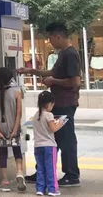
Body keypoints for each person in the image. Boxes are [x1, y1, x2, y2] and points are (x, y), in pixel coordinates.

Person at [17, 21, 81, 187]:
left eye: (50, 38)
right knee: (51, 138)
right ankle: (43, 171)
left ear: (58, 36)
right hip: (57, 103)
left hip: (66, 103)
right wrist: (31, 71)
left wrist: (53, 81)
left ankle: (72, 175)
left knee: (66, 139)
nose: (49, 41)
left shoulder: (70, 54)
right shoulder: (62, 54)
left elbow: (75, 81)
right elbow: (52, 73)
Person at [0, 67, 26, 192]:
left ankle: (5, 181)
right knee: (17, 151)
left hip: (1, 128)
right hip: (13, 127)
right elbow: (18, 113)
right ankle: (19, 172)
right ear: (10, 79)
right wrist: (15, 130)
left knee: (3, 154)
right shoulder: (17, 93)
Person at [32, 91, 64, 196]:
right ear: (48, 104)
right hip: (49, 146)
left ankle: (40, 189)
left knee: (40, 168)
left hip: (38, 146)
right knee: (50, 168)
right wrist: (60, 122)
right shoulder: (49, 115)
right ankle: (52, 189)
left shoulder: (36, 115)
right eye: (52, 105)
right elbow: (53, 129)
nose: (52, 107)